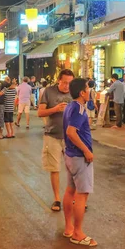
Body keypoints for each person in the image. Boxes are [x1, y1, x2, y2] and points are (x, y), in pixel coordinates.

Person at [62, 78, 98, 247]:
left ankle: (69, 227)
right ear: (82, 93)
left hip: (70, 155)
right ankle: (77, 233)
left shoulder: (69, 106)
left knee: (71, 191)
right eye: (87, 88)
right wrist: (86, 150)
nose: (89, 91)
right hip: (78, 157)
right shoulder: (79, 109)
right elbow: (71, 132)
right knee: (81, 195)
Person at [38, 69, 74, 212]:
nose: (67, 86)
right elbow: (40, 112)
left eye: (70, 83)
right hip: (52, 134)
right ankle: (57, 199)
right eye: (64, 82)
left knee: (74, 169)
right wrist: (55, 109)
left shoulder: (74, 92)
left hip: (71, 136)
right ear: (59, 80)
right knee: (55, 168)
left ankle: (73, 197)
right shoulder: (49, 91)